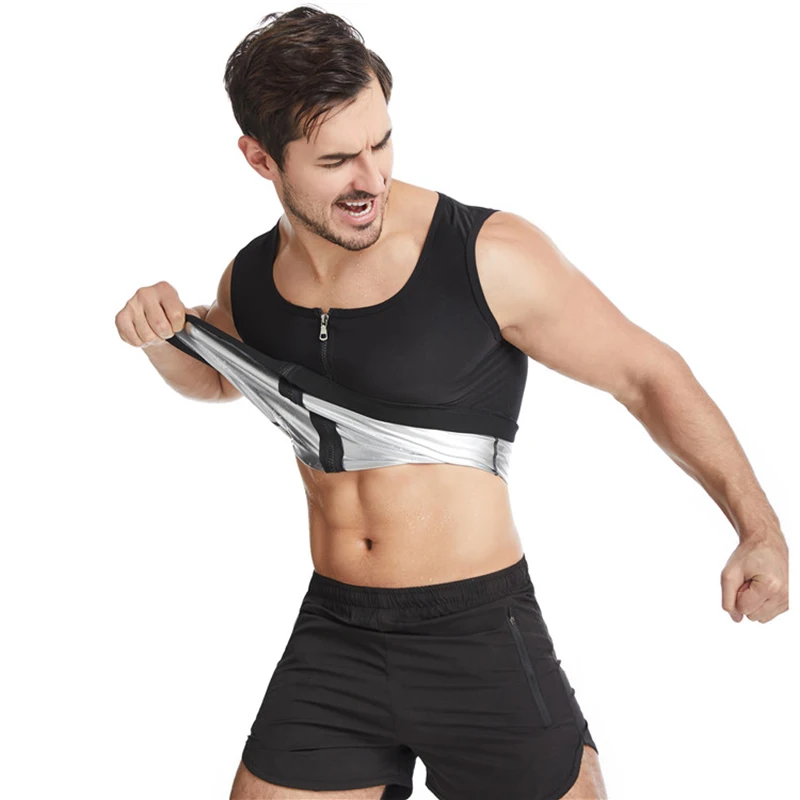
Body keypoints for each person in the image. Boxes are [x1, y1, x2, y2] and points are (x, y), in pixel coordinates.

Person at [114, 6, 789, 800]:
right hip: (336, 636)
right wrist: (162, 336)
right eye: (336, 160)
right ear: (260, 158)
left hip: (476, 634)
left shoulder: (485, 254)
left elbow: (649, 374)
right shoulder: (254, 279)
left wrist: (759, 528)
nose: (371, 179)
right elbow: (220, 379)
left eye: (381, 143)